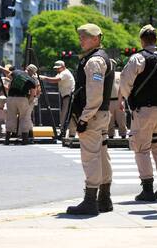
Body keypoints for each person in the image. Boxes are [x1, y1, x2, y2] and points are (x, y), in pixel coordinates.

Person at [119, 24, 157, 201]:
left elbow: (125, 82)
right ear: (156, 39)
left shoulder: (137, 58)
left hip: (143, 111)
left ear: (142, 40)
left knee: (141, 149)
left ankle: (147, 189)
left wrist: (128, 98)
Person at [66, 23, 115, 216]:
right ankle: (104, 199)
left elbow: (94, 95)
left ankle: (90, 201)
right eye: (80, 37)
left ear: (96, 39)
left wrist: (84, 119)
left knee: (91, 158)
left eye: (84, 37)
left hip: (92, 116)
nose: (81, 40)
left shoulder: (94, 61)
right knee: (102, 155)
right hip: (100, 115)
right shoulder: (102, 58)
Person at [39, 60, 76, 138]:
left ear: (63, 67)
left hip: (69, 96)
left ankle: (63, 133)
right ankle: (68, 133)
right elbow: (54, 79)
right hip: (67, 96)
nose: (57, 70)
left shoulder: (65, 73)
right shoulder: (61, 73)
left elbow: (55, 80)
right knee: (68, 115)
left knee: (65, 115)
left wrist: (44, 78)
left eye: (58, 68)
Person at [5, 65, 38, 145]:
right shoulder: (32, 80)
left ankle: (7, 139)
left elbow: (8, 76)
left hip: (11, 97)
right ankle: (24, 140)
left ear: (26, 69)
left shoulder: (17, 72)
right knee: (24, 118)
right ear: (33, 72)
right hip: (23, 98)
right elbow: (33, 94)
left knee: (10, 117)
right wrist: (29, 102)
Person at [108, 66, 127, 139]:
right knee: (109, 120)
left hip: (120, 99)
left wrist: (123, 99)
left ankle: (123, 135)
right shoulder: (105, 75)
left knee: (122, 119)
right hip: (109, 100)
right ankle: (110, 135)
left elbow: (123, 86)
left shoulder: (120, 74)